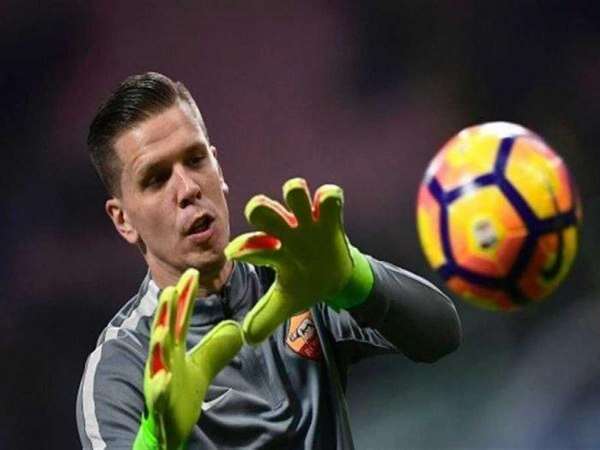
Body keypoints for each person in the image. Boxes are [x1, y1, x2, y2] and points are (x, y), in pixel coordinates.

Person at [76, 72, 462, 450]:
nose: (188, 188)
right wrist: (156, 442)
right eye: (156, 179)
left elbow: (441, 336)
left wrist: (352, 277)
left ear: (218, 168)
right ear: (123, 220)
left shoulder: (296, 280)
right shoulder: (121, 367)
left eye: (195, 159)